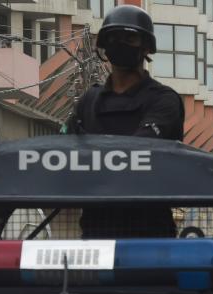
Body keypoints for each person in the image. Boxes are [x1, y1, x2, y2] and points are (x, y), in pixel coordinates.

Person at [65, 5, 185, 239]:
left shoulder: (164, 100)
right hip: (95, 233)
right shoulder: (89, 101)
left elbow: (139, 153)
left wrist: (93, 157)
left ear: (146, 47)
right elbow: (64, 152)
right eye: (113, 38)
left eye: (129, 37)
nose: (120, 44)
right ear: (104, 46)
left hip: (150, 236)